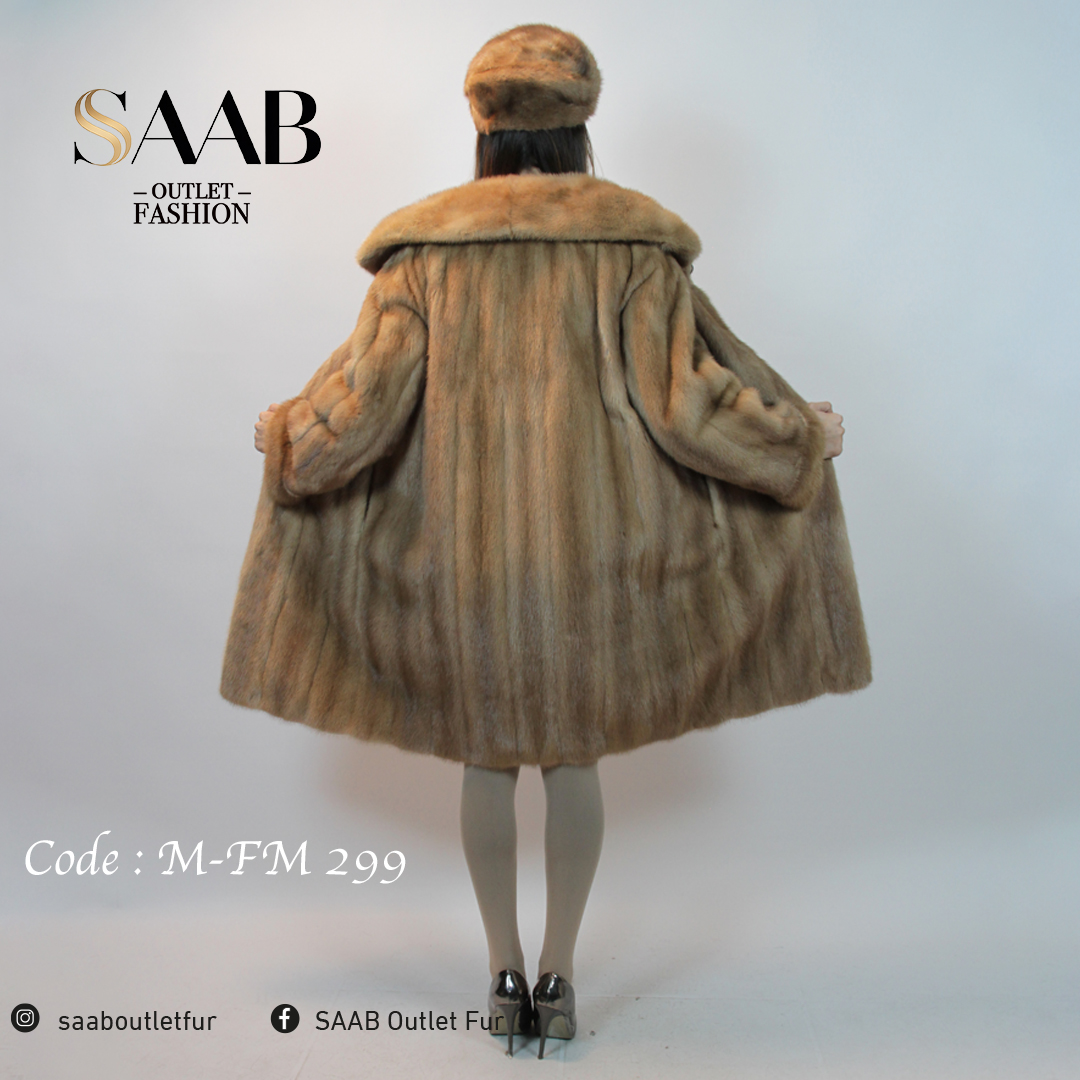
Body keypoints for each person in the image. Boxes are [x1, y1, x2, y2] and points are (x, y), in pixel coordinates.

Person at [223, 24, 871, 1059]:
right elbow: (690, 407)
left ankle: (501, 976)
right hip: (592, 563)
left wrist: (289, 436)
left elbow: (364, 408)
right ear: (580, 126)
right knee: (573, 761)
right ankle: (560, 977)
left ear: (483, 126)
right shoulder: (632, 253)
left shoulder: (422, 258)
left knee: (487, 761)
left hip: (464, 563)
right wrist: (797, 439)